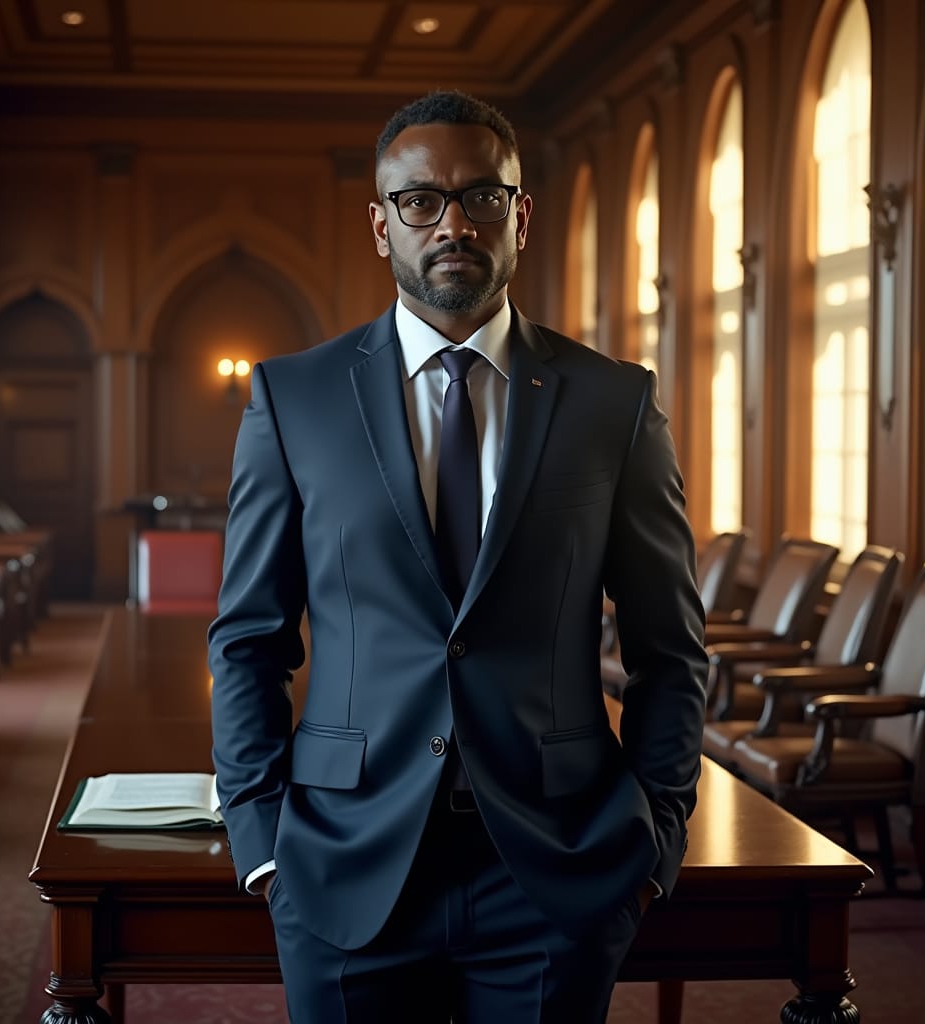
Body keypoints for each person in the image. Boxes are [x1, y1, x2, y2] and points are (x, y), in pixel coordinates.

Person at [208, 89, 708, 1024]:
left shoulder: (614, 404)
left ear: (520, 215)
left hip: (557, 871)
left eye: (482, 197)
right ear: (380, 223)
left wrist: (654, 837)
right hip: (342, 863)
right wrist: (264, 842)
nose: (453, 224)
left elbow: (671, 651)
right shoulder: (294, 398)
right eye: (421, 202)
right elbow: (248, 639)